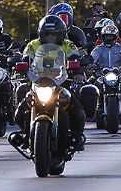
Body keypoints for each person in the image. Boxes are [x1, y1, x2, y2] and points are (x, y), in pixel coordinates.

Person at [9, 15, 87, 151]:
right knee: (19, 111)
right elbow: (26, 58)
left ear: (61, 34)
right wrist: (22, 66)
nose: (51, 38)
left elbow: (75, 58)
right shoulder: (33, 45)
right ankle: (25, 134)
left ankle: (77, 136)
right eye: (47, 34)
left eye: (54, 35)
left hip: (61, 82)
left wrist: (78, 71)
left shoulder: (68, 44)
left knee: (77, 109)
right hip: (37, 82)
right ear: (41, 34)